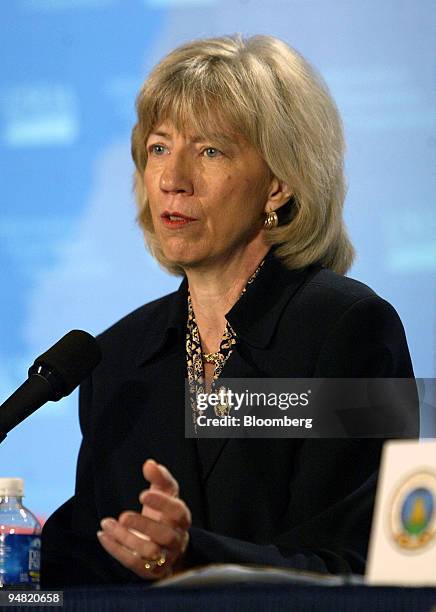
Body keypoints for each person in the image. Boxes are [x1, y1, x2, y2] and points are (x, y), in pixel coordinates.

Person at [41, 34, 417, 587]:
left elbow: (379, 568)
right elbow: (88, 554)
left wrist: (197, 558)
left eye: (210, 150)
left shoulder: (349, 329)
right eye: (159, 148)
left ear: (279, 184)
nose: (172, 180)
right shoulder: (119, 358)